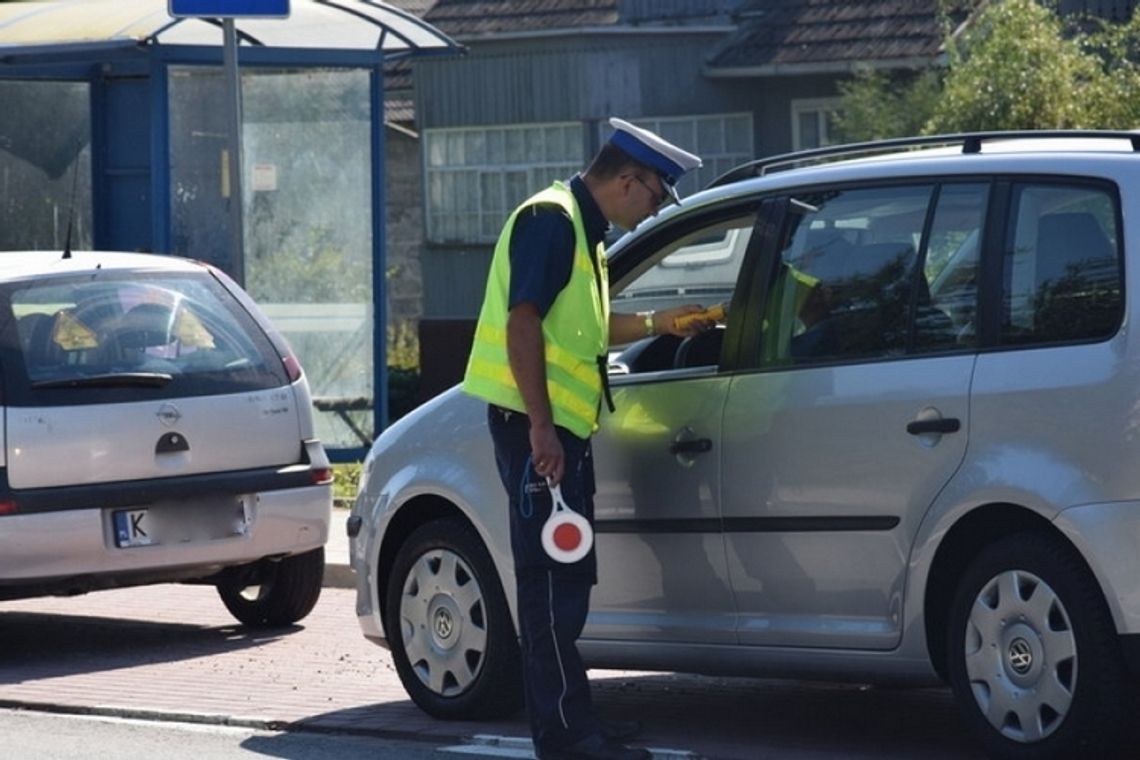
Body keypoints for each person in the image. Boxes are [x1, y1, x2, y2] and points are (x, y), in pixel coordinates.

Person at [462, 118, 711, 760]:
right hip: (535, 434)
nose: (654, 209)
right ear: (629, 180)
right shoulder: (551, 221)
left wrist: (661, 322)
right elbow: (523, 327)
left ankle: (575, 719)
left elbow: (584, 333)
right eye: (656, 195)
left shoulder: (582, 231)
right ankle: (565, 737)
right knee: (549, 588)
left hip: (558, 434)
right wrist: (543, 427)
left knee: (566, 583)